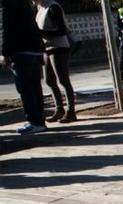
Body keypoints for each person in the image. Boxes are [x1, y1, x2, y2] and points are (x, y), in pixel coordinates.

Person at [1, 0, 47, 134]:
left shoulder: (7, 3)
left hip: (21, 50)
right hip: (34, 49)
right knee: (35, 87)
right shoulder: (24, 3)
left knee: (26, 88)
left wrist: (5, 52)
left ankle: (35, 121)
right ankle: (38, 120)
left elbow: (6, 26)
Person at [34, 0, 76, 123]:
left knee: (63, 80)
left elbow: (62, 30)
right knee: (49, 81)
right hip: (47, 49)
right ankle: (59, 109)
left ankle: (71, 112)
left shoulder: (53, 7)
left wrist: (41, 33)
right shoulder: (40, 8)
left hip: (59, 47)